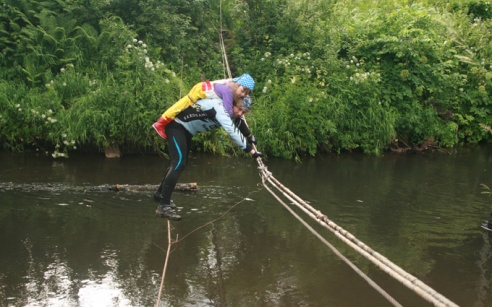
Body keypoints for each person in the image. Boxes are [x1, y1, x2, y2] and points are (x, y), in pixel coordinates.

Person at [154, 95, 262, 221]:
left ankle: (160, 194)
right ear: (232, 103)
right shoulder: (219, 108)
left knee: (180, 163)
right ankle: (163, 206)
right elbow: (232, 131)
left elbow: (239, 122)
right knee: (178, 164)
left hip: (186, 131)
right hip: (176, 126)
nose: (239, 113)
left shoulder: (232, 112)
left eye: (243, 112)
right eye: (239, 109)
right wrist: (251, 150)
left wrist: (249, 136)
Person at [152, 74, 255, 139]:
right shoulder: (228, 91)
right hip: (199, 91)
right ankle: (160, 123)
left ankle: (163, 123)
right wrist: (236, 116)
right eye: (242, 91)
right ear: (237, 85)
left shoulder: (230, 85)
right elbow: (228, 112)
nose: (243, 95)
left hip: (201, 89)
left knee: (182, 106)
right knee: (180, 106)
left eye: (246, 94)